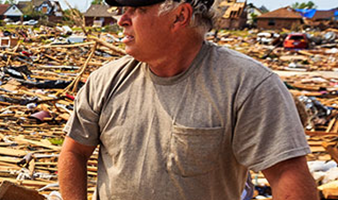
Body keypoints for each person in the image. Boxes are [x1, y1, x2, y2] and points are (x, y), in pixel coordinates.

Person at [56, 0, 319, 199]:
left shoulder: (247, 85)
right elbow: (74, 152)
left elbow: (288, 178)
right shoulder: (106, 80)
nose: (123, 19)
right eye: (123, 9)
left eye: (137, 9)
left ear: (180, 16)